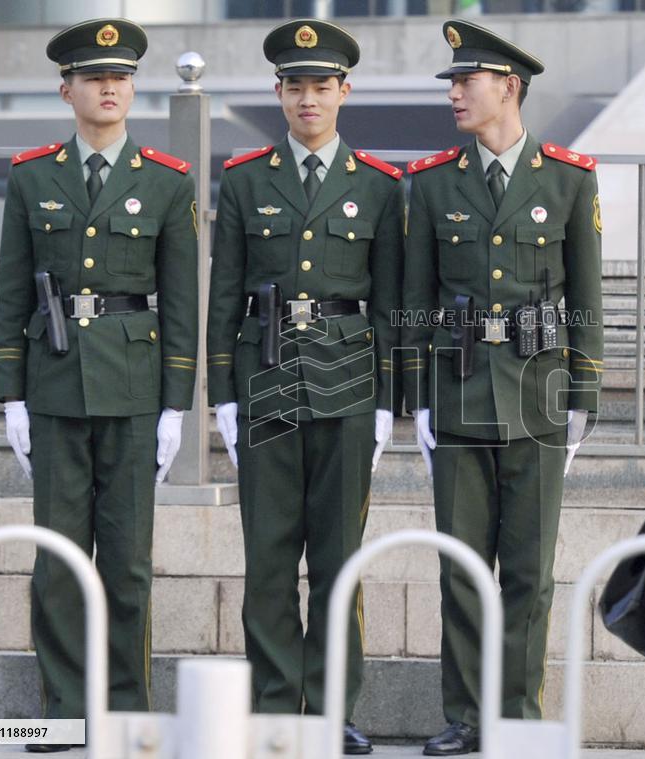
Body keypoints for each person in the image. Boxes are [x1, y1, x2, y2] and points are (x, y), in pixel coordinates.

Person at [0, 17, 198, 754]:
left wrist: (178, 404)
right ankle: (62, 710)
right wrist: (10, 395)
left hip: (135, 387)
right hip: (52, 384)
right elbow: (12, 290)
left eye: (121, 77)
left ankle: (125, 708)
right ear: (67, 88)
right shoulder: (32, 174)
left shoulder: (167, 182)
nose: (110, 87)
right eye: (94, 77)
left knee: (128, 558)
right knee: (57, 558)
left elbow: (181, 302)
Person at [402, 19, 603, 756]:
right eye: (454, 82)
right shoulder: (430, 184)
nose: (455, 93)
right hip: (457, 390)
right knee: (461, 564)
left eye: (466, 81)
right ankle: (465, 714)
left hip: (538, 392)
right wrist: (415, 395)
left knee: (528, 570)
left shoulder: (568, 178)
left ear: (508, 87)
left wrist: (584, 395)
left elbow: (586, 296)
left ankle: (515, 714)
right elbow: (416, 297)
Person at [206, 19, 404, 755]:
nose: (309, 99)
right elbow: (225, 291)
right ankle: (272, 704)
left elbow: (388, 303)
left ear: (345, 91)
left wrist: (388, 402)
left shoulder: (380, 186)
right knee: (267, 556)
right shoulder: (246, 177)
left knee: (336, 559)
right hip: (264, 378)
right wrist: (222, 394)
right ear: (278, 93)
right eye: (296, 86)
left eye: (323, 86)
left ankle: (328, 709)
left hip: (348, 384)